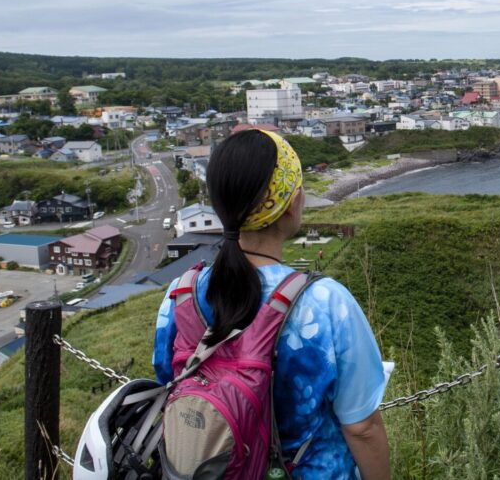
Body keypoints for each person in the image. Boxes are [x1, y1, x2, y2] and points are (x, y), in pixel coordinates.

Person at [153, 129, 391, 479]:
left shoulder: (180, 293)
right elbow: (363, 427)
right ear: (292, 203)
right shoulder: (326, 302)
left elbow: (168, 381)